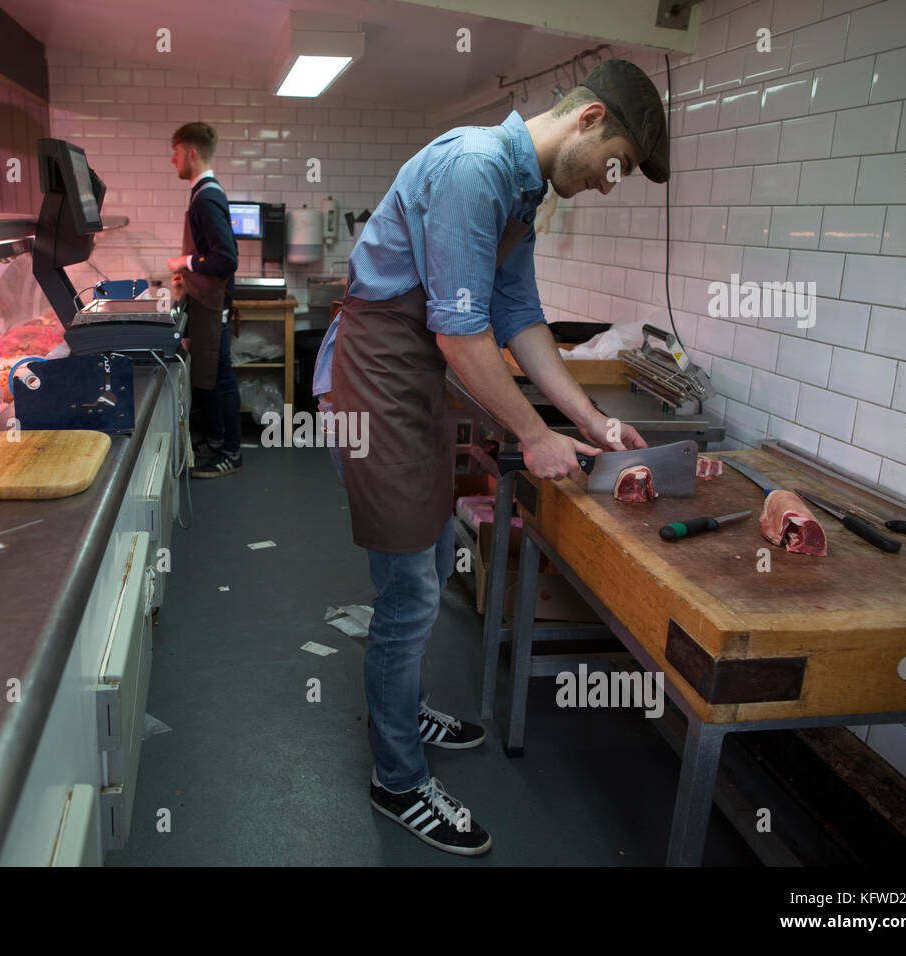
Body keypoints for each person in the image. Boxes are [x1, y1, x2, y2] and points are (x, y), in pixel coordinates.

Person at [312, 58, 667, 856]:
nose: (613, 184)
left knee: (433, 565)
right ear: (589, 120)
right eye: (619, 165)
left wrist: (591, 418)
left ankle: (401, 704)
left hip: (411, 383)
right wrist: (534, 436)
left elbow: (517, 314)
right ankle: (396, 779)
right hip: (372, 385)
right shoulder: (475, 169)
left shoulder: (521, 187)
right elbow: (460, 334)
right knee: (408, 589)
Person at [166, 122, 242, 479]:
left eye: (177, 153)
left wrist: (184, 262)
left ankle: (231, 453)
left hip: (213, 305)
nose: (173, 160)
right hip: (204, 301)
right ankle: (215, 441)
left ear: (192, 153)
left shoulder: (207, 196)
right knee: (210, 376)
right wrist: (190, 272)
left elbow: (225, 258)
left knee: (221, 376)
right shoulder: (201, 194)